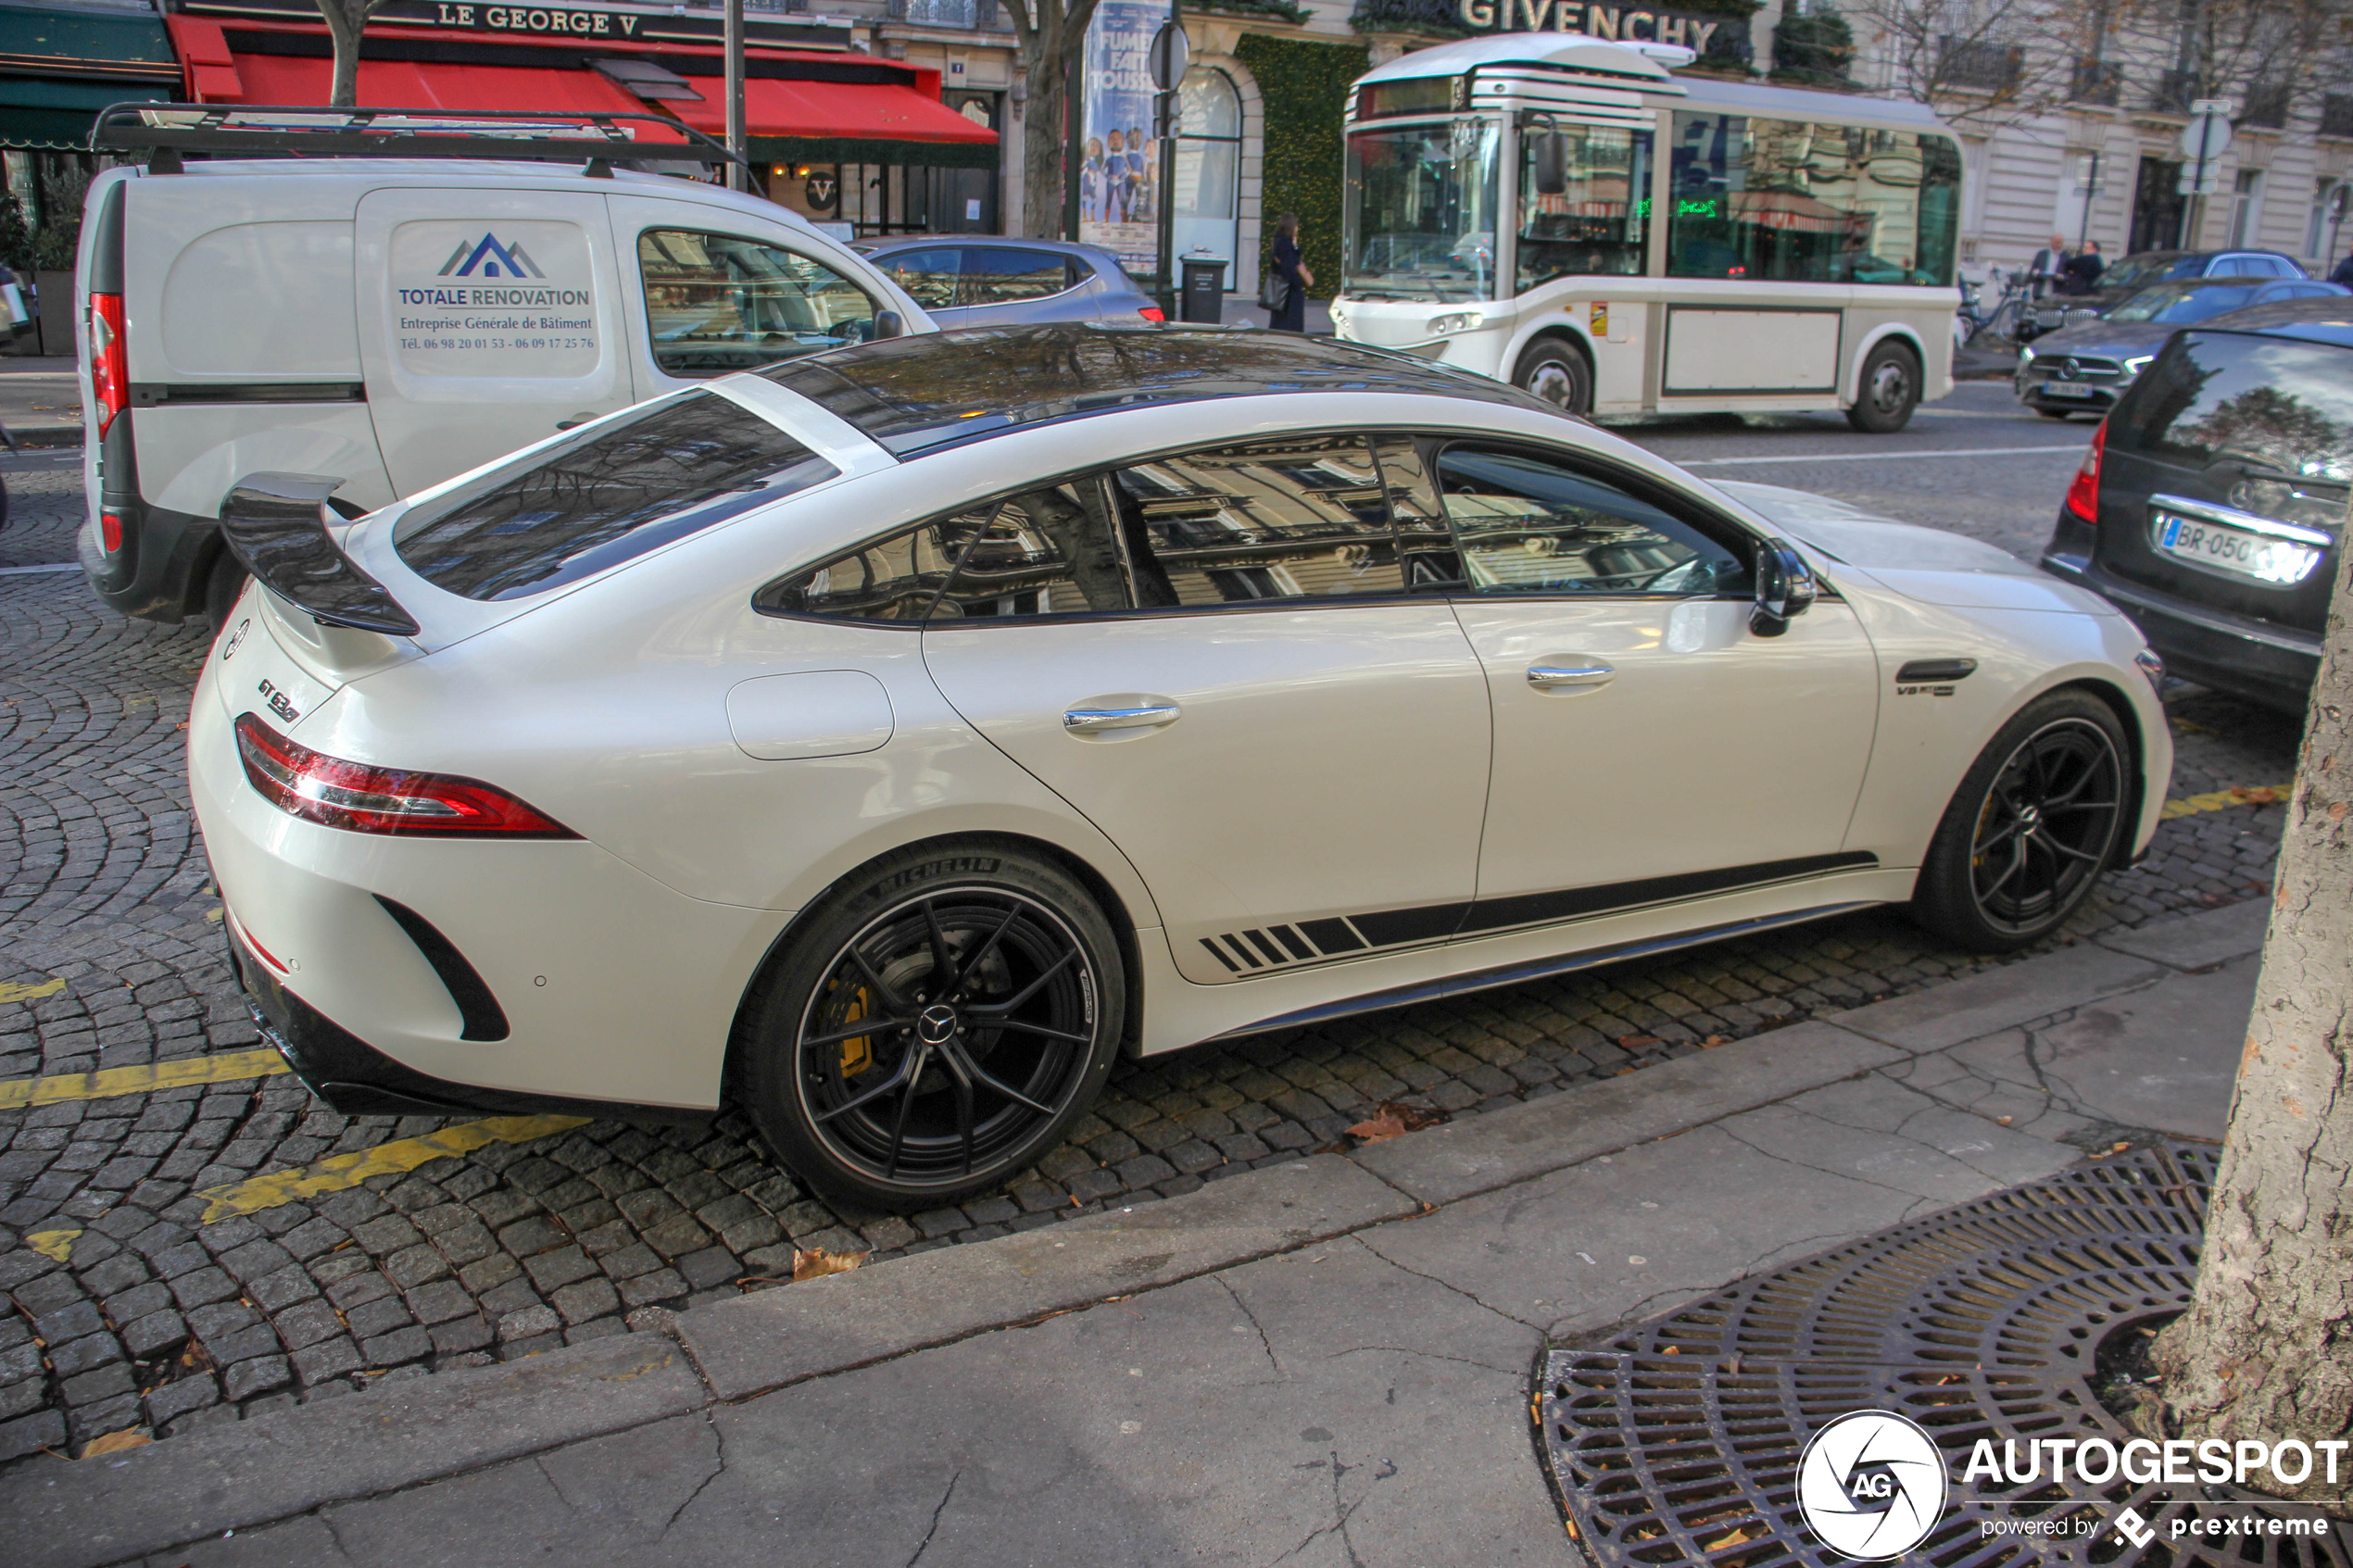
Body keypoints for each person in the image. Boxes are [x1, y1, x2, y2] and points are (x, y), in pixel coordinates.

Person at [1268, 212, 1310, 332]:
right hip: (1289, 292)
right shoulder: (1285, 244)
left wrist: (1295, 246)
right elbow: (1291, 265)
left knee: (1279, 322)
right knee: (1290, 325)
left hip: (1281, 290)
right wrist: (1299, 282)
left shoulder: (1278, 241)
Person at [2027, 232, 2069, 298]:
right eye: (2056, 242)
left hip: (2056, 292)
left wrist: (2062, 277)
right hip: (2040, 291)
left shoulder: (2066, 257)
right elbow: (2032, 270)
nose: (2058, 245)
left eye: (2060, 242)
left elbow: (2069, 275)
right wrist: (2035, 273)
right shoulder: (2042, 254)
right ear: (2051, 241)